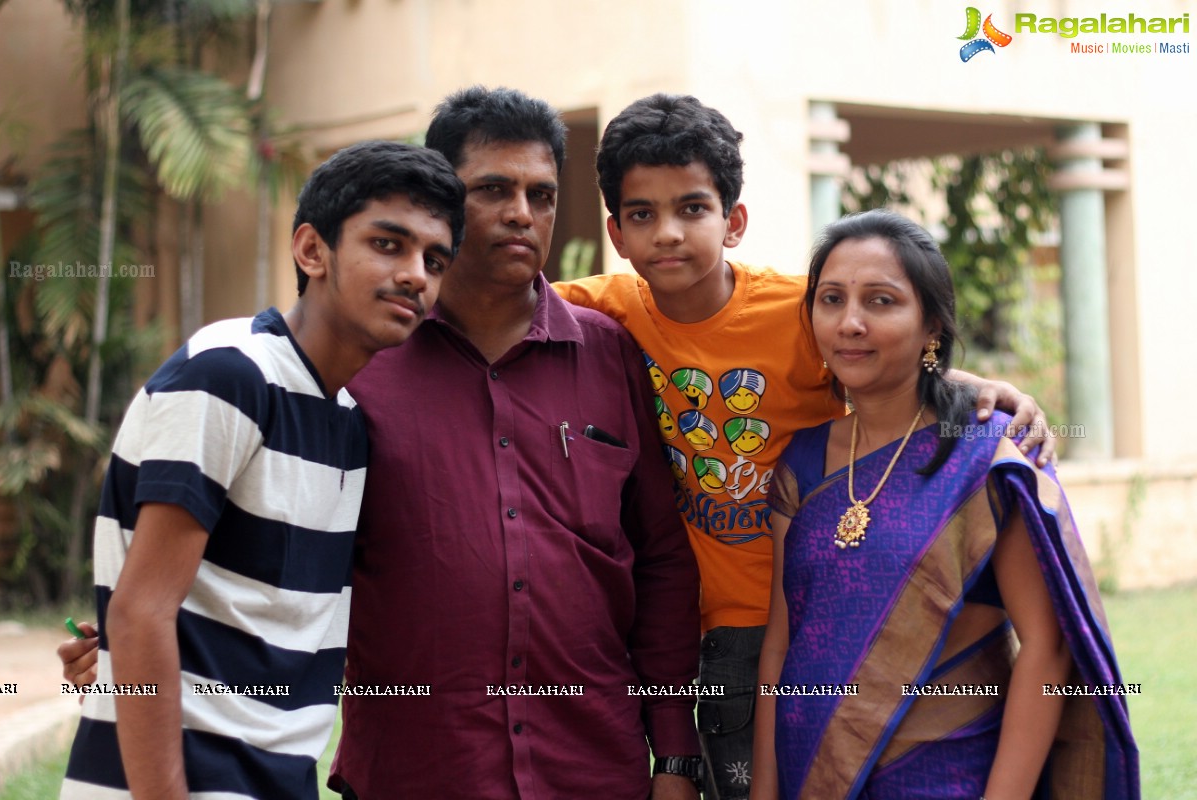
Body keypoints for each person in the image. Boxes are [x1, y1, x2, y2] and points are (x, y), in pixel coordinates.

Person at [553, 94, 1055, 800]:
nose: (667, 233)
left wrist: (970, 385)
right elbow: (497, 304)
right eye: (643, 215)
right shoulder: (598, 305)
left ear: (733, 222)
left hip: (812, 607)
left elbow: (885, 352)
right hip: (688, 619)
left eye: (692, 209)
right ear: (616, 231)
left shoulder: (804, 307)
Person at [57, 141, 466, 800]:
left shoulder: (350, 423)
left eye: (434, 259)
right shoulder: (229, 375)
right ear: (312, 251)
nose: (417, 274)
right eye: (388, 244)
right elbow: (139, 614)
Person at [329, 87, 702, 800]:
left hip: (592, 768)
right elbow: (282, 542)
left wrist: (677, 757)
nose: (521, 214)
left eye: (541, 193)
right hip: (417, 771)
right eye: (492, 190)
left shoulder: (610, 354)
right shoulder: (365, 362)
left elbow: (659, 561)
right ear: (439, 200)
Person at [751, 210, 1139, 799]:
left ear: (931, 323)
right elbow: (780, 649)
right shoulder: (802, 461)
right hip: (811, 774)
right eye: (831, 299)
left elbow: (1046, 645)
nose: (850, 322)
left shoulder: (985, 454)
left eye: (880, 301)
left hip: (947, 779)